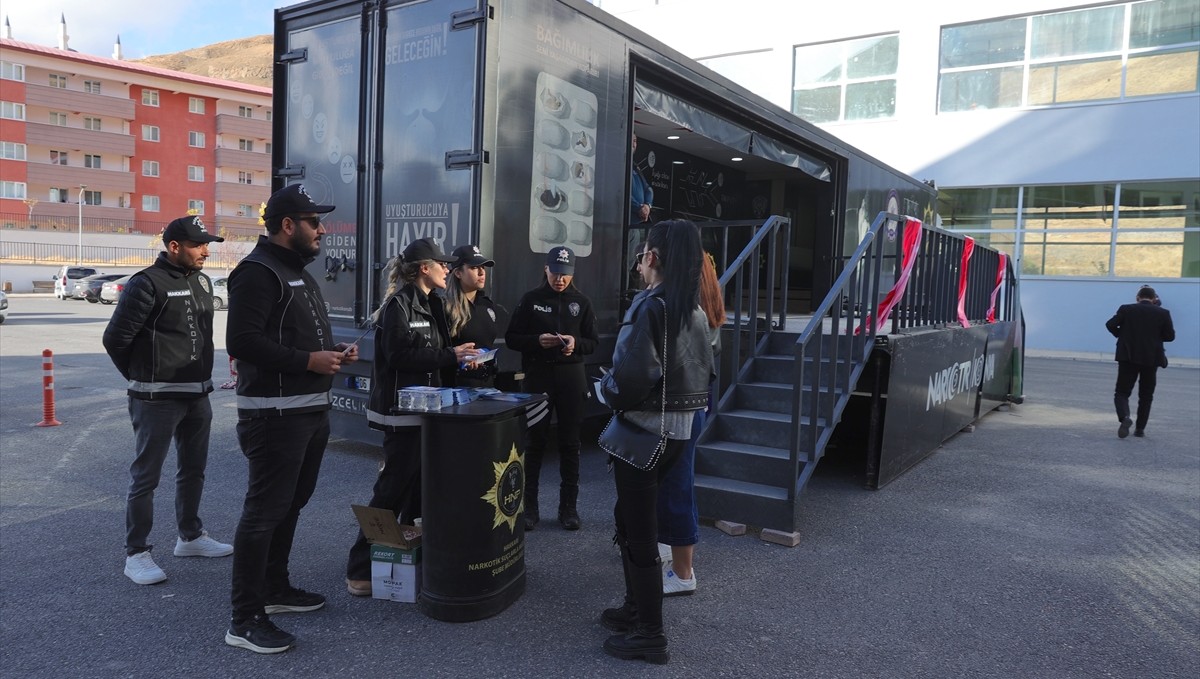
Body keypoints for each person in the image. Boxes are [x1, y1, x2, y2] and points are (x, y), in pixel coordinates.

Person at [224, 184, 360, 654]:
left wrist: (332, 354)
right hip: (274, 415)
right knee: (263, 512)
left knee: (290, 504)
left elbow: (296, 334)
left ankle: (275, 589)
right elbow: (241, 341)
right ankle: (244, 619)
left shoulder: (293, 270)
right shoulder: (257, 272)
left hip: (307, 411)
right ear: (287, 226)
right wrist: (308, 362)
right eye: (313, 221)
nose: (322, 229)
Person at [598, 220, 713, 665]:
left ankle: (650, 633)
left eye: (644, 252)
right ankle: (635, 611)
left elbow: (626, 379)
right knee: (630, 523)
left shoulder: (650, 306)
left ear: (653, 257)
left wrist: (603, 390)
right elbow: (706, 375)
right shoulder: (695, 310)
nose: (640, 261)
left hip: (643, 433)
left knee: (639, 533)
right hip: (680, 433)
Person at [102, 215, 233, 586]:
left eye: (207, 244)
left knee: (193, 469)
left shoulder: (204, 282)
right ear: (174, 247)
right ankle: (137, 553)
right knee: (146, 477)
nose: (205, 250)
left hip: (198, 395)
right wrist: (143, 378)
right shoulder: (146, 283)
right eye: (198, 244)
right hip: (156, 399)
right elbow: (115, 340)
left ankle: (190, 537)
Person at [344, 238, 478, 597]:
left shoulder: (432, 302)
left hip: (427, 411)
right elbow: (401, 356)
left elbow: (434, 354)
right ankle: (359, 566)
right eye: (442, 264)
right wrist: (450, 355)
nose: (447, 269)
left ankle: (401, 558)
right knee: (390, 489)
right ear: (424, 268)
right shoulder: (398, 305)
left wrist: (459, 358)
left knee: (418, 490)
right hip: (400, 415)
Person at [505, 246, 598, 531]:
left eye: (566, 274)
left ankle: (568, 508)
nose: (560, 279)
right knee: (535, 443)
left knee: (570, 444)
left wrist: (574, 343)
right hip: (538, 376)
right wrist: (536, 340)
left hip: (572, 378)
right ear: (546, 269)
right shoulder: (531, 299)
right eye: (556, 273)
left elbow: (593, 342)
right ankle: (528, 508)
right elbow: (511, 337)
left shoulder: (581, 302)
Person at [657, 251, 723, 596]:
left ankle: (683, 573)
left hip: (682, 405)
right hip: (697, 402)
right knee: (677, 481)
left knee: (676, 483)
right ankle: (670, 550)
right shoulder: (708, 305)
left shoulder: (687, 313)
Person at [1105, 285, 1174, 438]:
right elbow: (1170, 336)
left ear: (1137, 298)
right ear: (1155, 299)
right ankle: (1140, 429)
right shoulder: (1163, 313)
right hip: (1151, 358)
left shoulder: (1126, 309)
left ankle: (1125, 418)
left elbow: (1110, 324)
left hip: (1127, 357)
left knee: (1122, 392)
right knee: (1146, 395)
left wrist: (1121, 335)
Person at [445, 244, 500, 388]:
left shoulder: (486, 305)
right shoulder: (445, 307)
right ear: (458, 273)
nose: (482, 273)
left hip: (487, 384)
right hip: (457, 387)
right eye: (474, 268)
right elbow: (438, 352)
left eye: (483, 267)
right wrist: (460, 360)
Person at [630, 133, 653, 225]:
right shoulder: (615, 164)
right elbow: (620, 192)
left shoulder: (635, 166)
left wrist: (647, 205)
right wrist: (638, 207)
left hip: (638, 225)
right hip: (622, 224)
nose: (633, 144)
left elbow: (648, 189)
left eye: (635, 141)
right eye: (630, 140)